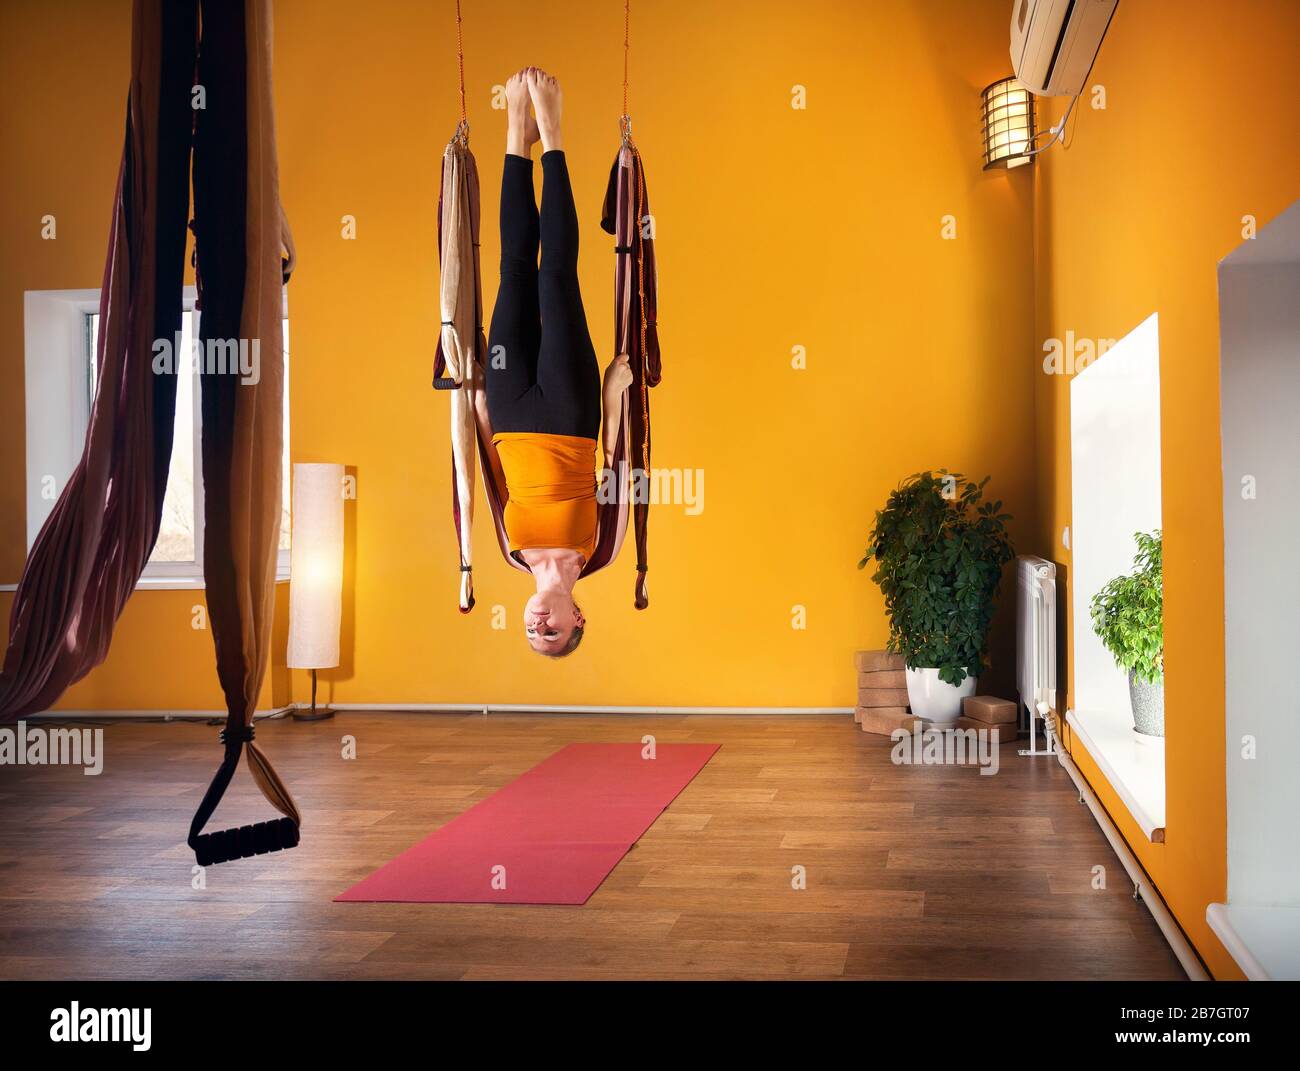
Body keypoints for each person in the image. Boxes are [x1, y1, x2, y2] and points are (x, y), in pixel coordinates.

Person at [477, 67, 632, 657]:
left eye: (531, 633)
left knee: (514, 269)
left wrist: (478, 412)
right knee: (555, 275)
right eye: (555, 632)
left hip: (510, 410)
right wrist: (614, 394)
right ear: (579, 619)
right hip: (571, 417)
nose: (539, 623)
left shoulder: (509, 550)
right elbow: (616, 467)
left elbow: (492, 484)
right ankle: (553, 132)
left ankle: (517, 133)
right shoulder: (600, 550)